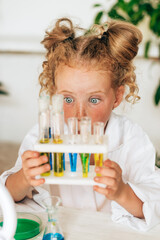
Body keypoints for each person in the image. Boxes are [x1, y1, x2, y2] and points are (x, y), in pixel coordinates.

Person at [1, 18, 160, 231]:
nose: (79, 114)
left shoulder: (131, 138)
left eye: (94, 100)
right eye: (68, 99)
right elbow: (7, 196)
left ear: (117, 97)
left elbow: (154, 208)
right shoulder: (44, 135)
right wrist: (24, 178)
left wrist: (122, 192)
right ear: (53, 95)